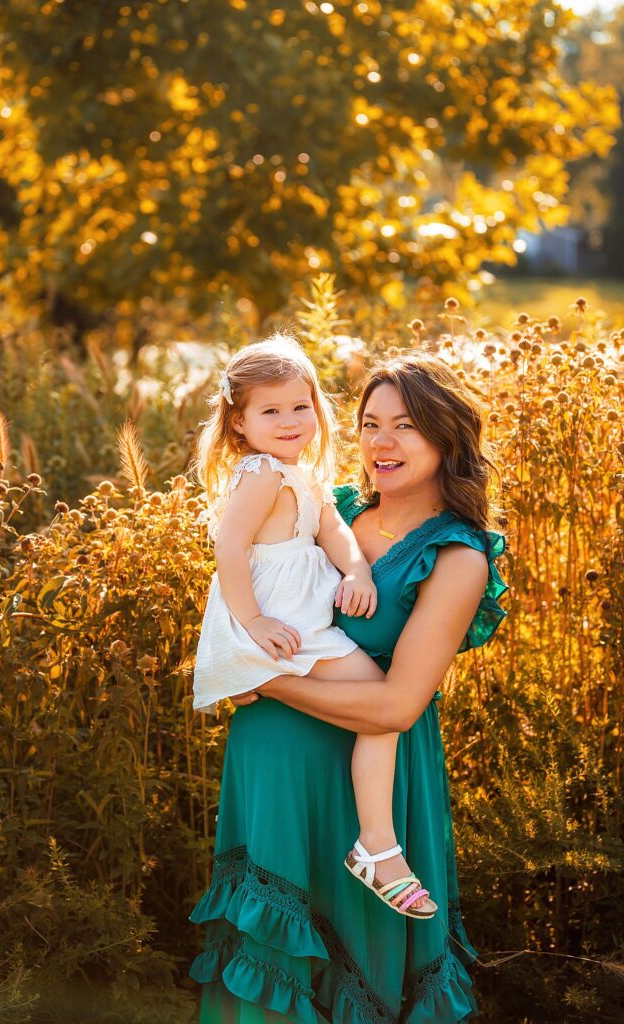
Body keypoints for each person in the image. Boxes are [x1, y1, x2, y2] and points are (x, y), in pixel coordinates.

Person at [189, 350, 508, 1024]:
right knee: (275, 961)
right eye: (370, 424)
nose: (381, 443)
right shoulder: (322, 504)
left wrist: (264, 680)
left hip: (372, 766)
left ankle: (377, 849)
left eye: (406, 426)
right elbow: (246, 576)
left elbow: (396, 703)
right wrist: (243, 647)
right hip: (274, 760)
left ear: (447, 436)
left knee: (360, 953)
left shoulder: (456, 556)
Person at [193, 335, 437, 918]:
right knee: (384, 707)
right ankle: (376, 846)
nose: (288, 420)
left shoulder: (300, 475)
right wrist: (251, 621)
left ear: (318, 410)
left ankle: (376, 844)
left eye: (300, 406)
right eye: (270, 410)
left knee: (381, 711)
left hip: (300, 625)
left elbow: (336, 535)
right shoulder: (259, 474)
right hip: (278, 625)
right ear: (239, 423)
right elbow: (227, 545)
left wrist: (358, 574)